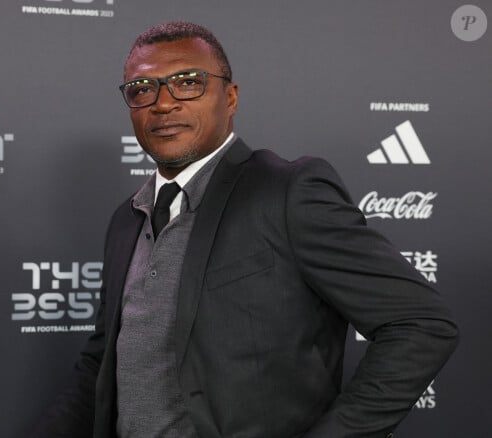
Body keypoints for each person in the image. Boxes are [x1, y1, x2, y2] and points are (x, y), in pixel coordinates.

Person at [33, 21, 458, 438]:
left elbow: (420, 325)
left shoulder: (289, 191)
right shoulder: (126, 219)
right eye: (143, 90)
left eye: (187, 83)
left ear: (230, 97)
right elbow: (100, 364)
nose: (163, 104)